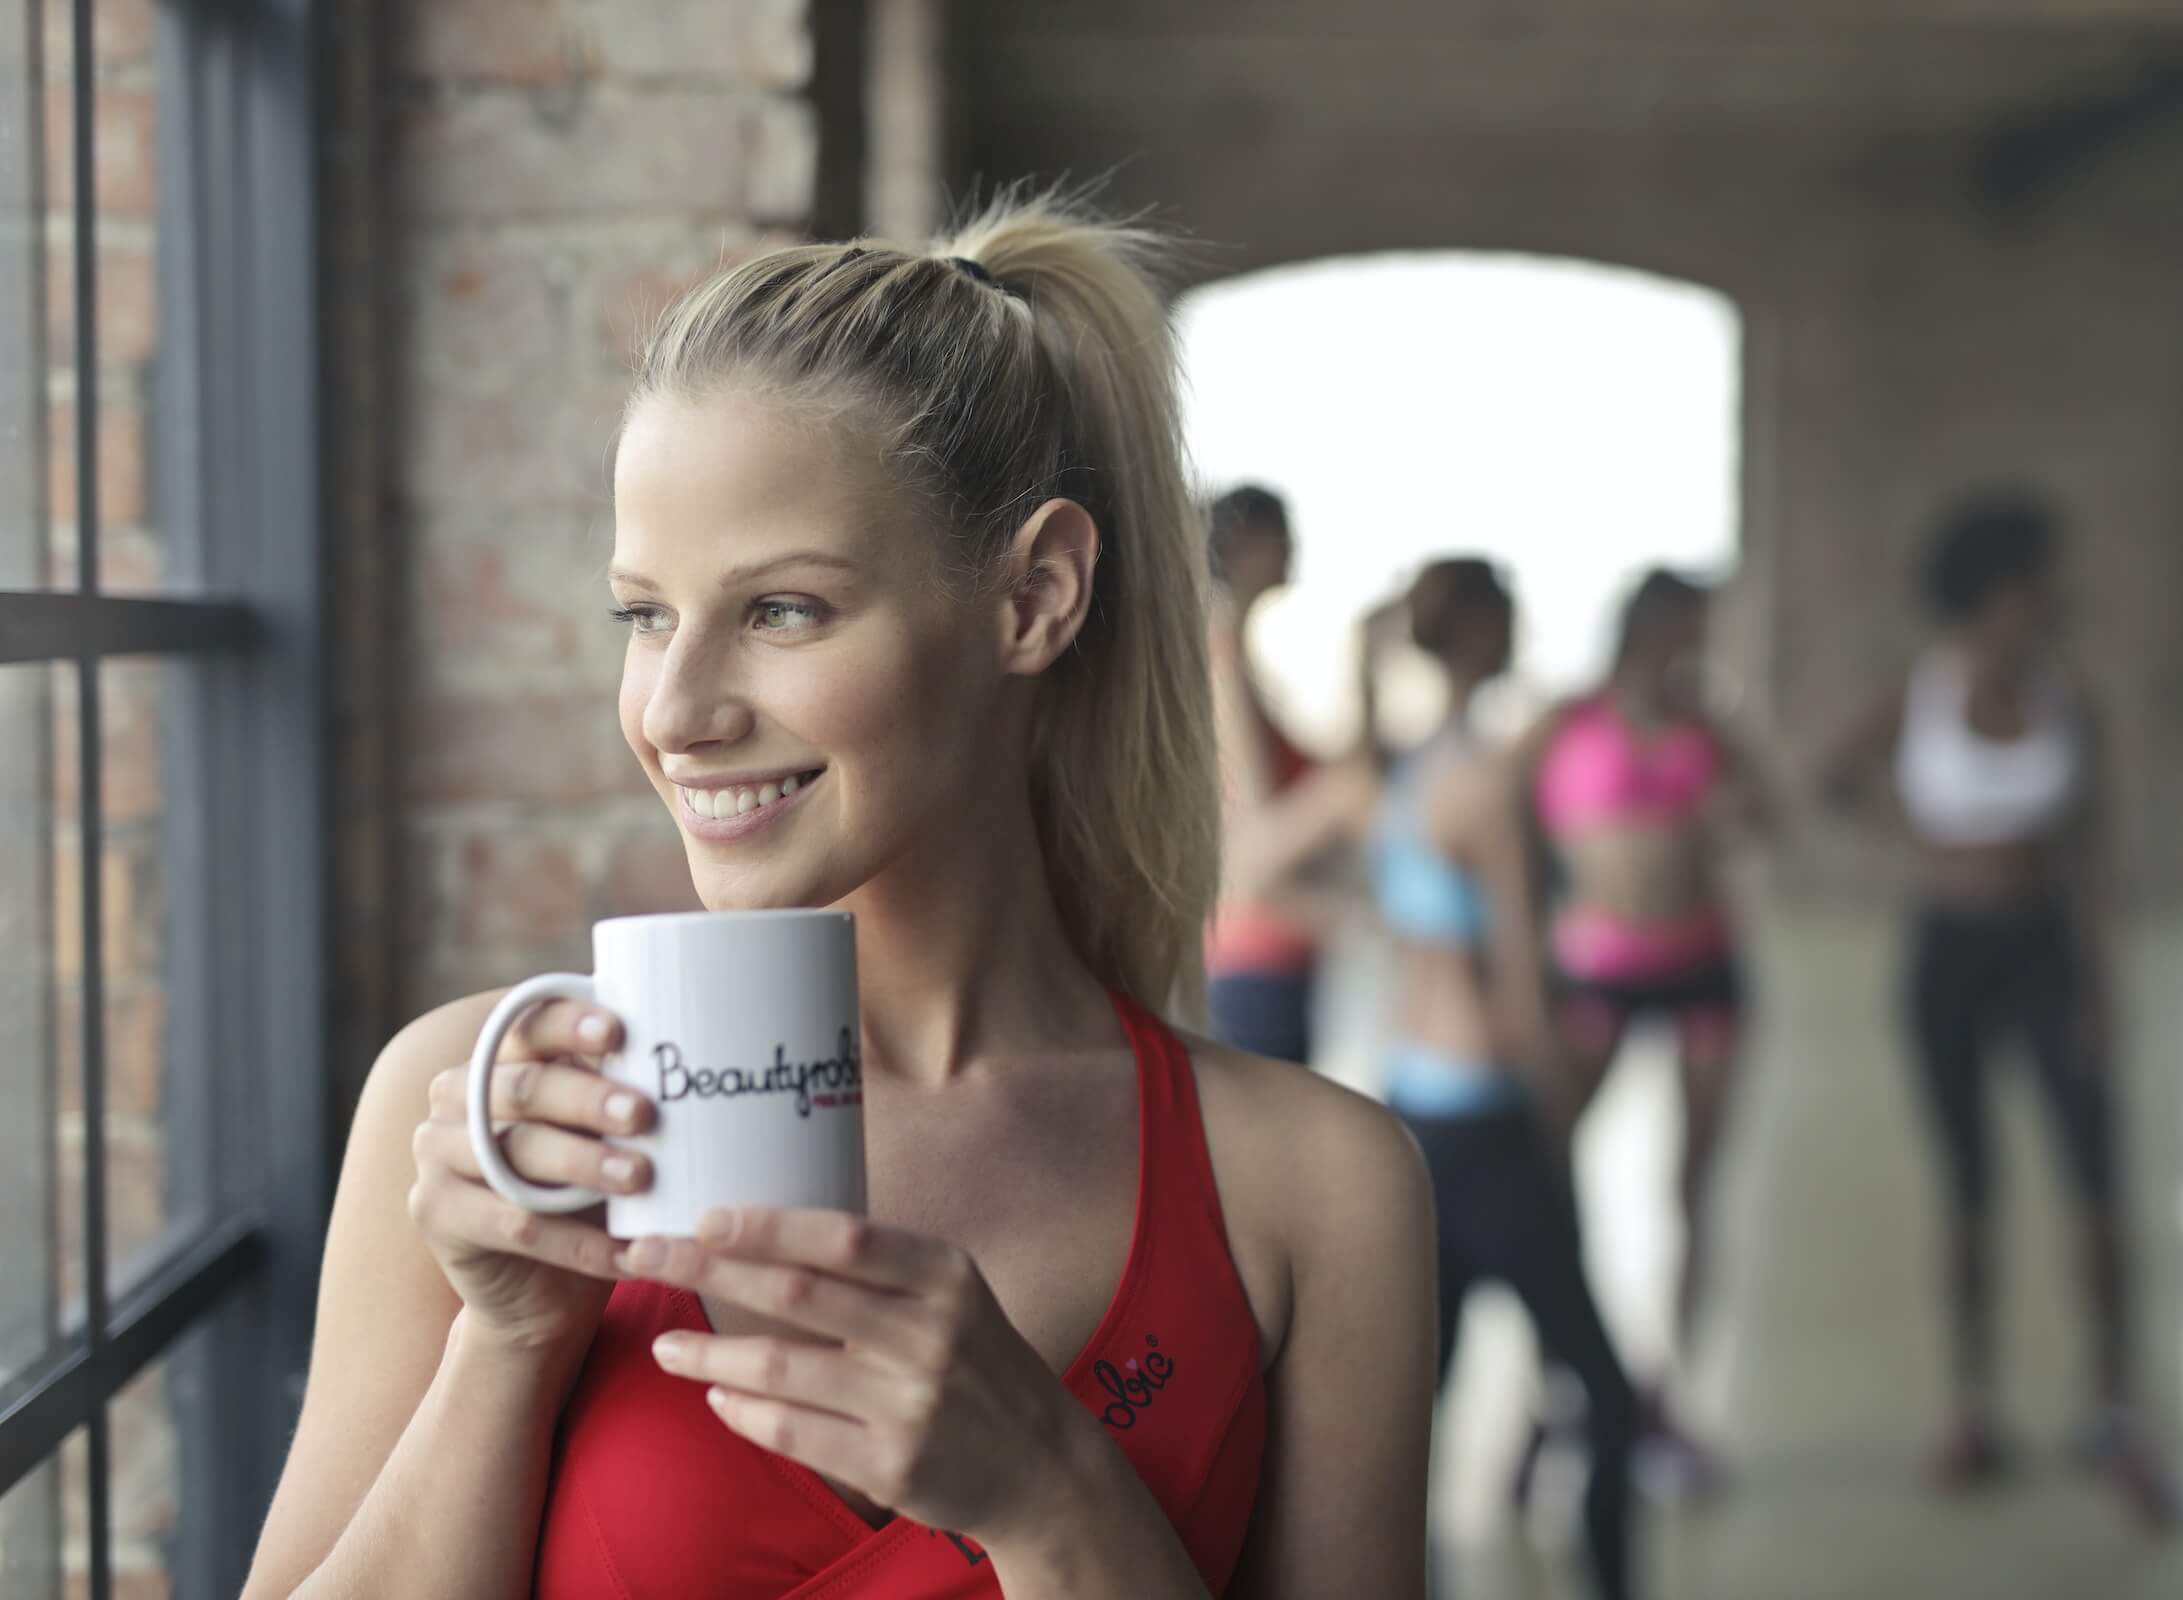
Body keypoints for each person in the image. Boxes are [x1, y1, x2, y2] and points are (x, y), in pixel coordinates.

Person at [240, 193, 1436, 1600]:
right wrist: (506, 1345)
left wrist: (1054, 1497)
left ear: (1035, 598)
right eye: (644, 614)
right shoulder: (476, 1118)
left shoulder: (1313, 1193)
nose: (674, 710)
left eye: (782, 610)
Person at [1820, 489, 2170, 1525]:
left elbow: (2099, 859)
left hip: (2046, 953)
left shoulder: (2075, 700)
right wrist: (1921, 843)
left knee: (2093, 1176)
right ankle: (1971, 1405)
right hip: (1949, 955)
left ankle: (2111, 1408)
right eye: (2034, 580)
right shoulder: (1919, 692)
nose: (2052, 598)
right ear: (1990, 593)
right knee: (1968, 1181)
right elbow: (1834, 777)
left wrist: (2103, 984)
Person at [1369, 559, 1640, 1596]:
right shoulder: (1487, 784)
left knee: (1416, 1411)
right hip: (1492, 1120)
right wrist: (1563, 1120)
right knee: (1607, 1399)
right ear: (1480, 628)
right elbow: (1527, 982)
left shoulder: (1404, 775)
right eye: (1510, 611)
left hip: (1413, 1114)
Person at [1525, 570, 1769, 1494]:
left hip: (1702, 964)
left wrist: (1736, 808)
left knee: (1693, 1188)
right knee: (1545, 1175)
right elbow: (1505, 813)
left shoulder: (1710, 725)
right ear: (1650, 627)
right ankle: (1559, 1391)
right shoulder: (1570, 720)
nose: (1696, 644)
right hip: (1600, 969)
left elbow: (1768, 816)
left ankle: (1670, 1397)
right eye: (1689, 627)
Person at [1203, 487, 1367, 1067]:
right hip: (1252, 961)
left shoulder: (1238, 658)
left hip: (1272, 960)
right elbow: (1254, 842)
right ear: (1246, 545)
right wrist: (1347, 794)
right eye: (1282, 532)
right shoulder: (1219, 654)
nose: (1294, 546)